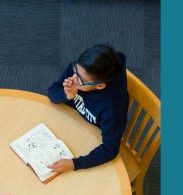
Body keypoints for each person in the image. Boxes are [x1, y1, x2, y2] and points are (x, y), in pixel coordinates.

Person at [47, 43, 129, 172]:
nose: (73, 79)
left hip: (92, 135)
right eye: (75, 70)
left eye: (80, 80)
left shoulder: (113, 109)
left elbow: (110, 150)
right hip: (70, 121)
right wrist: (67, 95)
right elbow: (52, 92)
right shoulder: (79, 71)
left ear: (100, 86)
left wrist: (75, 164)